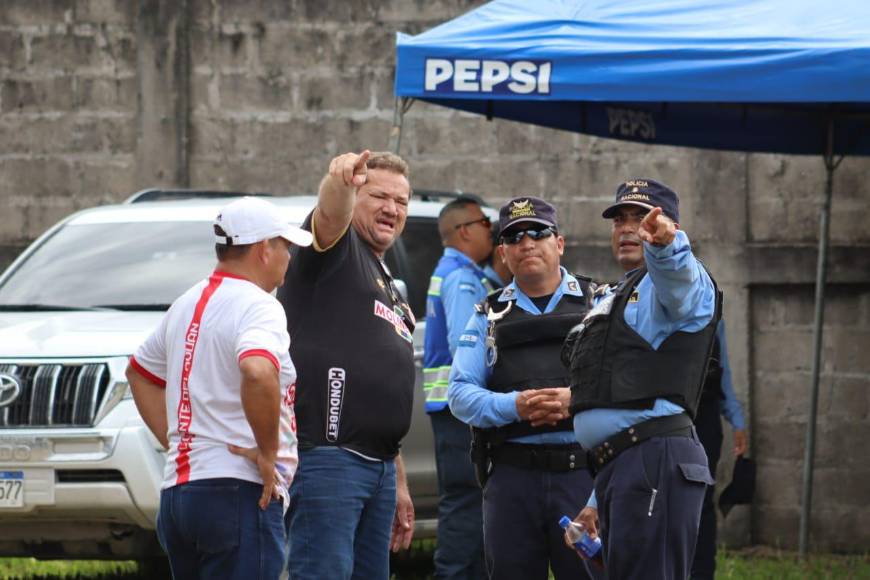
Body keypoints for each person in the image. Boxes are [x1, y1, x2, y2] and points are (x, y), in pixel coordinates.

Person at [125, 196, 313, 579]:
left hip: (179, 494)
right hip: (236, 490)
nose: (289, 258)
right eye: (286, 246)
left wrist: (180, 442)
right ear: (264, 249)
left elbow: (139, 373)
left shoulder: (186, 302)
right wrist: (268, 454)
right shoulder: (260, 306)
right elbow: (257, 371)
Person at [564, 179, 720, 579]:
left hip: (654, 459)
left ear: (671, 226)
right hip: (621, 465)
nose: (629, 228)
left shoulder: (678, 279)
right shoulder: (616, 294)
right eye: (620, 220)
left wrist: (666, 245)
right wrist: (596, 501)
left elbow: (679, 279)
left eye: (641, 217)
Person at [276, 150, 416, 580]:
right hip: (329, 458)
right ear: (357, 196)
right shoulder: (337, 250)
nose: (392, 208)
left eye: (401, 201)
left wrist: (398, 479)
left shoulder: (384, 277)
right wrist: (339, 183)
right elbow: (330, 215)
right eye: (379, 196)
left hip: (378, 465)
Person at [449, 196, 600, 580]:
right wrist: (515, 406)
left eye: (538, 233)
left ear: (559, 243)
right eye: (514, 237)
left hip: (583, 476)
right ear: (503, 252)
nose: (526, 243)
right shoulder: (488, 314)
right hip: (512, 480)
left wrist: (576, 400)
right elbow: (460, 393)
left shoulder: (599, 303)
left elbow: (627, 382)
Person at [423, 196, 494, 579]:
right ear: (465, 231)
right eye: (485, 223)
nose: (492, 231)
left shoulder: (452, 271)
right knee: (466, 503)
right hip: (460, 411)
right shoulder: (461, 278)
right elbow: (467, 348)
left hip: (450, 409)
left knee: (467, 504)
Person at [691, 319, 748, 580]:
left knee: (701, 502)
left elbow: (721, 370)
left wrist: (736, 419)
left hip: (704, 420)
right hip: (663, 420)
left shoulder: (712, 312)